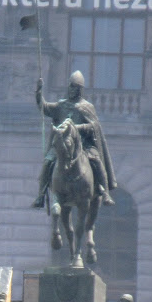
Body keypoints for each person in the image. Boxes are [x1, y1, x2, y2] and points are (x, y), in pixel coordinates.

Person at [32, 71, 116, 209]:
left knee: (97, 161)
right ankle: (41, 195)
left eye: (75, 87)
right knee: (48, 161)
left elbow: (93, 126)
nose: (72, 89)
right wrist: (39, 91)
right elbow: (44, 107)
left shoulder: (87, 107)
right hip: (62, 143)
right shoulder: (61, 105)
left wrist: (77, 128)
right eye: (71, 86)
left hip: (83, 145)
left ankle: (105, 192)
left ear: (80, 90)